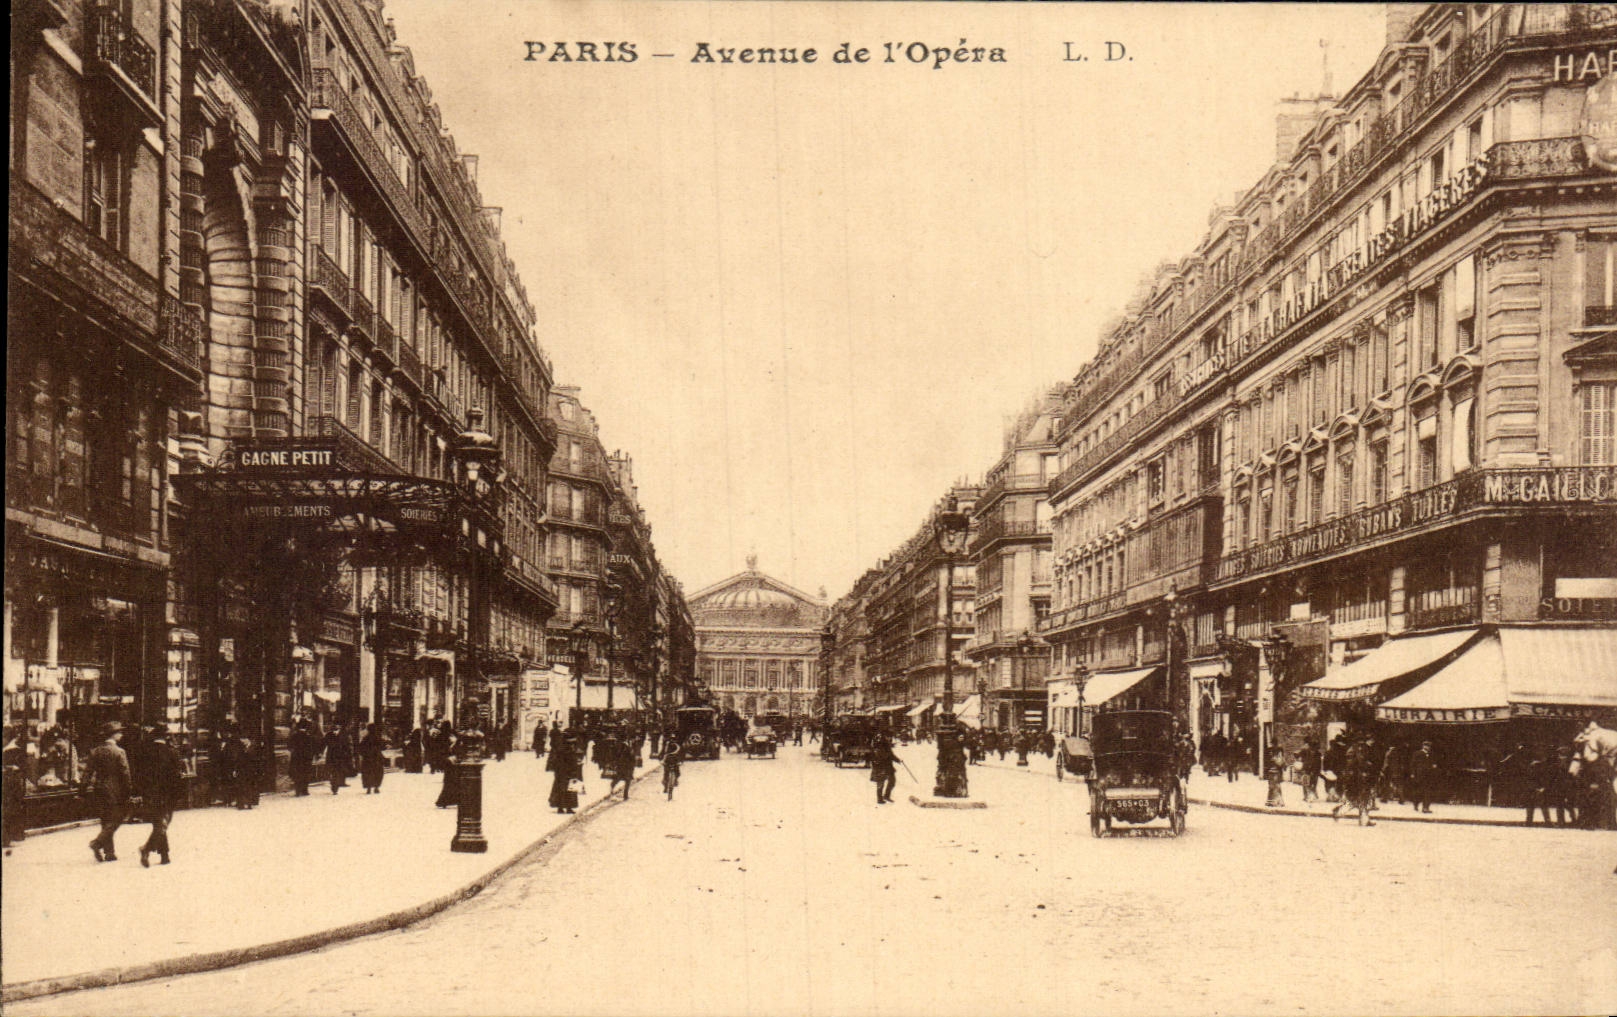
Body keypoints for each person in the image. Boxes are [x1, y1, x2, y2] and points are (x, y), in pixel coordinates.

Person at [86, 722, 132, 862]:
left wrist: (82, 790)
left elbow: (87, 773)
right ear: (114, 735)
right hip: (115, 789)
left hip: (99, 788)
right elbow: (125, 774)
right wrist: (128, 791)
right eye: (119, 732)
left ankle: (109, 852)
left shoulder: (95, 751)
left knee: (105, 819)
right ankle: (97, 843)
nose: (121, 734)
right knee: (117, 818)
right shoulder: (119, 752)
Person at [139, 729, 185, 867]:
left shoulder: (145, 752)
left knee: (158, 823)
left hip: (151, 794)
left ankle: (164, 855)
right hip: (168, 794)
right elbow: (178, 775)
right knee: (163, 823)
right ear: (166, 737)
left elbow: (140, 774)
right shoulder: (172, 752)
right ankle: (147, 849)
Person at [548, 733, 582, 814]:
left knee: (566, 790)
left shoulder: (564, 749)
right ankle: (564, 807)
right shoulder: (564, 750)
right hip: (564, 773)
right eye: (572, 742)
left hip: (564, 773)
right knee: (565, 790)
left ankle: (565, 808)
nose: (573, 744)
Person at [870, 734, 901, 804]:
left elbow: (891, 755)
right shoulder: (878, 744)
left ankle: (886, 796)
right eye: (889, 737)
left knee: (892, 781)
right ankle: (879, 799)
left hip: (888, 766)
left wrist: (898, 760)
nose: (890, 738)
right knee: (880, 783)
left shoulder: (886, 745)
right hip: (880, 766)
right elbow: (882, 755)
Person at [1410, 739, 1439, 814]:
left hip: (1429, 776)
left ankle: (1426, 807)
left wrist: (1434, 767)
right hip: (1419, 776)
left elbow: (1434, 764)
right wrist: (1413, 773)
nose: (1428, 747)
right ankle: (1416, 804)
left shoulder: (1431, 754)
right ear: (1423, 746)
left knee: (1427, 792)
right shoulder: (1417, 753)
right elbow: (1413, 764)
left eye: (1429, 746)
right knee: (1419, 791)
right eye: (1426, 746)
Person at [289, 719, 316, 797]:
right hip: (306, 759)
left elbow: (290, 746)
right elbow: (312, 748)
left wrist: (293, 753)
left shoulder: (294, 736)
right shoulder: (308, 736)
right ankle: (305, 790)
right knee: (306, 774)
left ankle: (297, 791)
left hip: (296, 758)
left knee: (297, 774)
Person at [324, 723, 353, 795]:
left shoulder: (343, 735)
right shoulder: (328, 735)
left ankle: (335, 787)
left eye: (337, 726)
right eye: (334, 726)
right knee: (333, 772)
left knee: (338, 772)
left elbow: (347, 746)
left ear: (339, 727)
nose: (335, 727)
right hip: (331, 757)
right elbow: (323, 744)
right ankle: (334, 785)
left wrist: (348, 754)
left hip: (340, 757)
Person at [359, 723, 386, 794]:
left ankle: (368, 788)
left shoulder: (365, 738)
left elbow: (360, 748)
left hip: (367, 759)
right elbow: (383, 747)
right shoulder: (378, 737)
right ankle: (376, 787)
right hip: (377, 758)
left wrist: (364, 754)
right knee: (377, 772)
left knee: (367, 773)